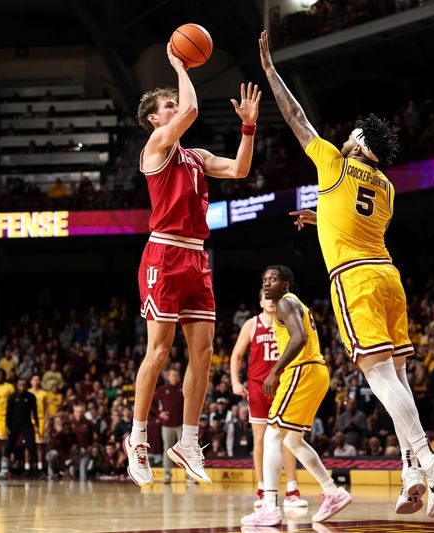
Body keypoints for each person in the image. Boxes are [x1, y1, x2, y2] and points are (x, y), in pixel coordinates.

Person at [259, 30, 434, 518]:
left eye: (351, 134)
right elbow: (352, 218)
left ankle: (429, 459)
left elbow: (297, 118)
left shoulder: (335, 162)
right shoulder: (386, 187)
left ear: (358, 144)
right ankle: (412, 471)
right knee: (399, 380)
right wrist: (318, 216)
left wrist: (270, 70)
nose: (344, 136)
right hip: (389, 277)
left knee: (376, 374)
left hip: (355, 279)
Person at [124, 41, 261, 487]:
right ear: (154, 119)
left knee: (202, 354)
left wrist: (249, 129)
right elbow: (191, 111)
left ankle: (187, 440)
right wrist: (180, 66)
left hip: (197, 257)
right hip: (163, 253)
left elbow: (240, 171)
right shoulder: (155, 149)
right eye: (167, 105)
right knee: (160, 351)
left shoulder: (197, 157)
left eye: (173, 103)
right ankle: (138, 438)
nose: (175, 108)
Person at [241, 266, 351, 527]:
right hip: (314, 371)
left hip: (301, 370)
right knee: (292, 440)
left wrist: (274, 370)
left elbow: (299, 338)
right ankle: (332, 492)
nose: (268, 283)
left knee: (271, 435)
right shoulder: (293, 303)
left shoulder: (285, 304)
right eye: (264, 279)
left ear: (286, 283)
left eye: (273, 279)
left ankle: (269, 507)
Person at [230, 289, 306, 508]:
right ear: (260, 301)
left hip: (283, 384)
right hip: (257, 388)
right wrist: (235, 382)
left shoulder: (287, 321)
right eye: (267, 298)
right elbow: (236, 355)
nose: (271, 302)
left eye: (275, 298)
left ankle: (292, 489)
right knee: (261, 440)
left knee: (289, 438)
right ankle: (262, 488)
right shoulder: (252, 324)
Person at [2, 378, 39, 478]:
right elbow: (8, 413)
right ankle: (4, 469)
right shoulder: (12, 397)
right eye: (20, 385)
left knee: (32, 446)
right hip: (13, 425)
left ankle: (35, 469)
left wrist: (37, 425)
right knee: (9, 446)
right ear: (17, 386)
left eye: (24, 385)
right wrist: (7, 426)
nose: (22, 387)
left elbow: (35, 412)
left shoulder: (31, 397)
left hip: (27, 425)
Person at [153, 366, 183, 483]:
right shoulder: (162, 389)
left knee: (185, 449)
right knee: (167, 450)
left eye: (176, 375)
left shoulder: (183, 388)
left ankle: (190, 475)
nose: (174, 377)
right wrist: (159, 413)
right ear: (168, 377)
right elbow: (151, 402)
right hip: (167, 425)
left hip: (181, 424)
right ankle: (167, 474)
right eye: (172, 375)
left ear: (179, 377)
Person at [28, 374, 49, 476]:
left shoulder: (44, 393)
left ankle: (40, 467)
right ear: (31, 381)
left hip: (40, 419)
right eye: (34, 379)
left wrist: (47, 421)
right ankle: (27, 467)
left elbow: (46, 409)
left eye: (38, 379)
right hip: (28, 420)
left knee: (39, 445)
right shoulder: (27, 392)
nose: (36, 381)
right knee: (28, 445)